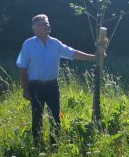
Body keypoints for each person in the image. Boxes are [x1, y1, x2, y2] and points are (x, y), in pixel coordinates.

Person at [17, 14, 98, 147]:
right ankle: (37, 146)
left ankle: (54, 146)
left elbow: (72, 53)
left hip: (52, 87)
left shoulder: (55, 43)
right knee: (37, 118)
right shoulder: (28, 45)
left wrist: (93, 58)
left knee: (55, 117)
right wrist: (25, 90)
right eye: (44, 24)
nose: (48, 25)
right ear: (35, 28)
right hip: (35, 87)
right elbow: (22, 67)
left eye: (48, 22)